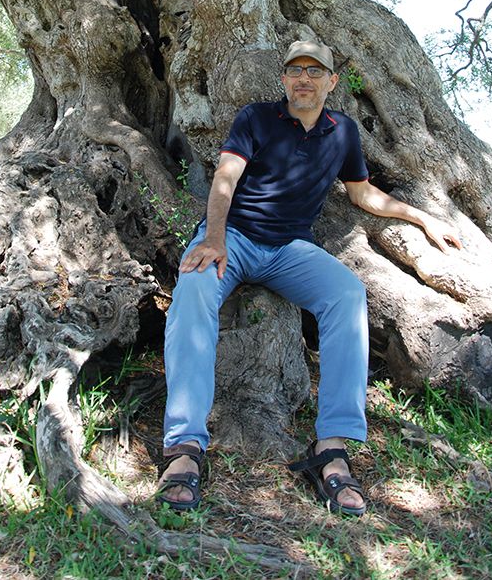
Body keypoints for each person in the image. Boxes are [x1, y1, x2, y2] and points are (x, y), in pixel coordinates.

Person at [156, 40, 461, 517]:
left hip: (288, 250)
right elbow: (224, 179)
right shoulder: (255, 118)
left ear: (331, 82)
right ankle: (184, 446)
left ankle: (332, 446)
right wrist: (213, 237)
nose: (304, 78)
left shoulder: (343, 133)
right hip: (232, 237)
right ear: (284, 79)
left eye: (315, 71)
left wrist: (423, 219)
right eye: (295, 70)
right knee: (193, 293)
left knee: (347, 294)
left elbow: (363, 195)